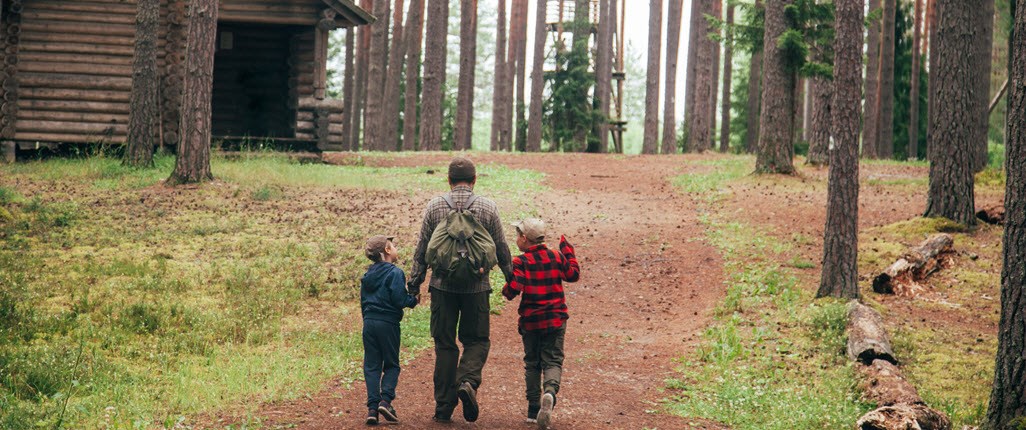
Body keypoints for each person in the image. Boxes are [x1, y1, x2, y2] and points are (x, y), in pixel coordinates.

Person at [408, 157, 514, 423]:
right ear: (474, 180)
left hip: (442, 287)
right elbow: (501, 247)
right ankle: (467, 381)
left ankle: (444, 407)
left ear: (449, 180)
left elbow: (422, 249)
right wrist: (511, 279)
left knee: (445, 344)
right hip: (477, 287)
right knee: (477, 340)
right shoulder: (488, 207)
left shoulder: (434, 206)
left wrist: (414, 284)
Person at [501, 218, 580, 429]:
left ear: (524, 239)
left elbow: (514, 288)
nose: (516, 238)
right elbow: (573, 275)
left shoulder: (521, 261)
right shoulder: (556, 256)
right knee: (553, 361)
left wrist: (506, 290)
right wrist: (567, 251)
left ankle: (533, 409)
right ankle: (550, 393)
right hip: (555, 319)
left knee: (532, 363)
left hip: (531, 321)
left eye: (518, 235)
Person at [360, 235, 418, 425]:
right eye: (392, 245)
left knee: (371, 366)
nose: (395, 248)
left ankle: (372, 409)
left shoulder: (367, 275)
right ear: (386, 250)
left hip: (369, 323)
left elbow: (363, 302)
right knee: (392, 364)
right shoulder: (395, 273)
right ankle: (385, 401)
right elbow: (399, 300)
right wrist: (413, 300)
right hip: (388, 323)